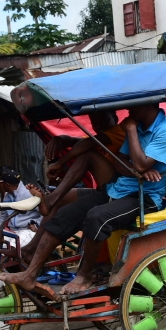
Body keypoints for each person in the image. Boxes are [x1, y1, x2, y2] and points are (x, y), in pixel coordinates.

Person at [0, 103, 166, 295]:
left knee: (96, 216)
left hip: (145, 198)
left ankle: (84, 276)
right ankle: (30, 274)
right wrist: (138, 170)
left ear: (148, 105)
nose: (128, 111)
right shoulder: (138, 127)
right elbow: (121, 163)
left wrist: (132, 134)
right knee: (66, 214)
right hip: (118, 189)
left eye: (132, 106)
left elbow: (141, 163)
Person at [19, 110, 125, 263]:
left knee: (88, 155)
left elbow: (87, 143)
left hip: (120, 190)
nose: (98, 123)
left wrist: (60, 163)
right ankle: (30, 248)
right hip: (104, 190)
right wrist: (62, 139)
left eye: (103, 117)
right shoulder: (100, 138)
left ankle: (50, 201)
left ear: (114, 117)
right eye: (94, 119)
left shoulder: (117, 132)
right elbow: (78, 142)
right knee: (62, 199)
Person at [0, 166, 43, 247]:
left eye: (2, 183)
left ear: (7, 184)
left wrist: (37, 225)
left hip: (27, 231)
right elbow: (4, 216)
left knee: (12, 247)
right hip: (13, 231)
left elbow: (45, 212)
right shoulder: (7, 196)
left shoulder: (29, 194)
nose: (0, 185)